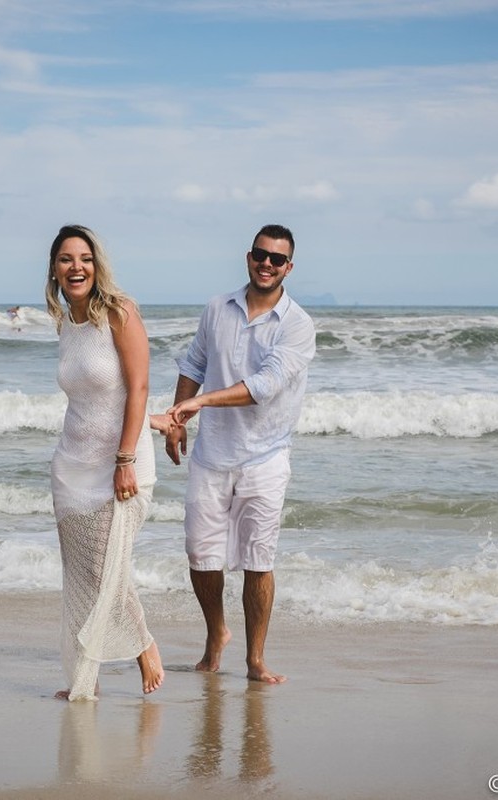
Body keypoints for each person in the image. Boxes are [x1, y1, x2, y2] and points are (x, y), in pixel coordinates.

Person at [164, 223, 316, 685]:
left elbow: (263, 387)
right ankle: (216, 636)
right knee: (201, 556)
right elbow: (194, 363)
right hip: (211, 455)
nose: (266, 264)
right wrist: (177, 418)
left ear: (289, 267)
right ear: (248, 257)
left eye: (276, 258)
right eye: (259, 255)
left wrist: (200, 402)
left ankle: (255, 659)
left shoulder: (297, 325)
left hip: (265, 456)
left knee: (258, 559)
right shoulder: (217, 308)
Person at [45, 224, 170, 701]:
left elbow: (137, 387)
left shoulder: (120, 312)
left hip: (122, 468)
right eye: (65, 259)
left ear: (97, 266)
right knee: (81, 576)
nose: (76, 267)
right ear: (54, 270)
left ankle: (145, 647)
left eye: (85, 258)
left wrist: (125, 459)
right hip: (71, 467)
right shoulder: (66, 322)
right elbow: (94, 399)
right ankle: (85, 679)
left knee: (105, 570)